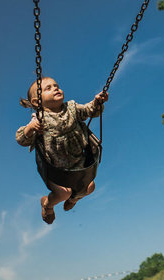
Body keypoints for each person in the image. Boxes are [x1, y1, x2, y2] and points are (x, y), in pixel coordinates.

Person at [16, 77, 108, 224]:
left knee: (91, 187)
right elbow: (21, 139)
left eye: (56, 86)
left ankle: (74, 199)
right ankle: (48, 205)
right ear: (37, 102)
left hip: (79, 164)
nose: (55, 88)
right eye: (48, 88)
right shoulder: (39, 120)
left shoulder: (72, 108)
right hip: (55, 170)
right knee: (63, 193)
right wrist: (30, 128)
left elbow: (89, 110)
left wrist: (97, 102)